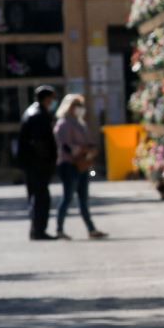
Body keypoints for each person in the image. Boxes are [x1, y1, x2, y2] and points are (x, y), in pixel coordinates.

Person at [54, 93, 107, 240]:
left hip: (83, 165)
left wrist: (91, 149)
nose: (80, 109)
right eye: (77, 105)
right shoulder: (63, 124)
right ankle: (59, 229)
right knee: (68, 197)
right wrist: (83, 150)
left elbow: (87, 142)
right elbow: (66, 146)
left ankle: (91, 229)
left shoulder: (80, 123)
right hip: (68, 165)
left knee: (83, 198)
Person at [16, 85, 58, 241]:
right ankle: (39, 230)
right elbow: (39, 143)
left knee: (36, 197)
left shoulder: (32, 112)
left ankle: (37, 229)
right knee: (41, 198)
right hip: (37, 165)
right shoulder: (38, 115)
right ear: (46, 99)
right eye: (52, 99)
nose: (53, 102)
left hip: (32, 164)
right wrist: (47, 163)